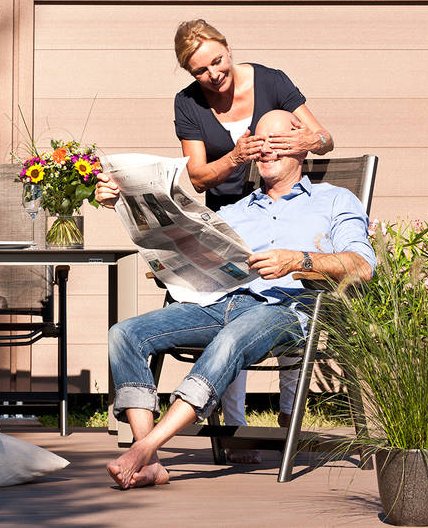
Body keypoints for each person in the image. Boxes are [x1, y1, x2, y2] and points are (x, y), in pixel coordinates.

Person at [95, 110, 375, 489]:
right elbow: (180, 241)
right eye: (258, 143)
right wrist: (123, 203)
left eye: (275, 141)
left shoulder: (334, 201)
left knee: (229, 340)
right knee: (125, 333)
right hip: (220, 301)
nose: (265, 151)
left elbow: (361, 265)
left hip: (288, 309)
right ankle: (153, 463)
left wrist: (298, 260)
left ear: (302, 146)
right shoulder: (235, 210)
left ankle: (142, 449)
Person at [173, 19, 335, 457]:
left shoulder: (272, 81)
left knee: (290, 294)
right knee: (237, 304)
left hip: (287, 206)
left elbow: (326, 139)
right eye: (201, 71)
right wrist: (234, 157)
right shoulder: (188, 104)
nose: (214, 75)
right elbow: (199, 177)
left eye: (218, 61)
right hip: (232, 221)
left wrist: (310, 140)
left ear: (228, 49)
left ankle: (289, 415)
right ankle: (236, 426)